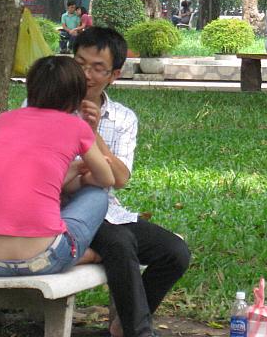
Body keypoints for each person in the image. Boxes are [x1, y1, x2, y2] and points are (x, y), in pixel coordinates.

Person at [72, 27, 191, 337]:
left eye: (97, 68)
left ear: (114, 74)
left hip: (108, 210)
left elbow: (121, 178)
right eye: (80, 63)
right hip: (65, 213)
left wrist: (91, 133)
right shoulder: (47, 103)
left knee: (175, 252)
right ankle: (139, 332)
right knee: (120, 243)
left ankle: (123, 326)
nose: (86, 74)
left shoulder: (123, 118)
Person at [0, 56, 114, 277]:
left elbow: (32, 177)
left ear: (31, 87)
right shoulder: (76, 126)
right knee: (97, 196)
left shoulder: (3, 120)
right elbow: (107, 180)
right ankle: (90, 255)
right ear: (76, 95)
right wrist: (85, 169)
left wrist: (76, 169)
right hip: (45, 259)